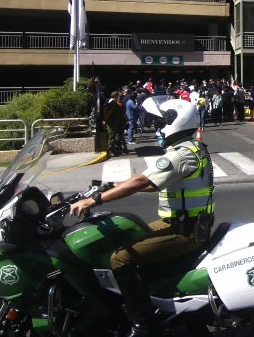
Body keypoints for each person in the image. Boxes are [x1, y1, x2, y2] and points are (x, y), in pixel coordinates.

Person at [70, 97, 213, 337]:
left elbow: (141, 181)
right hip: (186, 224)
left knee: (119, 259)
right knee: (129, 233)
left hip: (185, 231)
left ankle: (144, 323)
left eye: (161, 122)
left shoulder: (179, 155)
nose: (158, 127)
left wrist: (95, 200)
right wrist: (115, 185)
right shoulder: (193, 148)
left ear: (174, 123)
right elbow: (154, 183)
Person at [104, 91, 126, 156]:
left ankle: (114, 149)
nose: (118, 97)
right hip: (111, 122)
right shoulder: (113, 103)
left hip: (114, 122)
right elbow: (108, 112)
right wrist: (105, 120)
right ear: (115, 96)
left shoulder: (115, 103)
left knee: (114, 136)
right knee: (111, 136)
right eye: (117, 96)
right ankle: (110, 150)